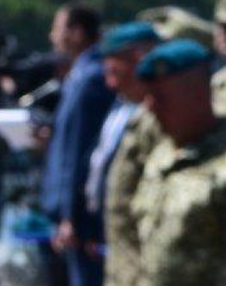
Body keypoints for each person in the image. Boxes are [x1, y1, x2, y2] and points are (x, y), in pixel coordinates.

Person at [130, 39, 226, 284]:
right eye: (148, 96)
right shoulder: (161, 155)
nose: (150, 108)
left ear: (198, 94)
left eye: (161, 97)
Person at [41, 2, 114, 286]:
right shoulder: (81, 74)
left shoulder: (89, 78)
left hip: (81, 216)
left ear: (77, 33)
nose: (52, 36)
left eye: (57, 28)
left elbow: (79, 151)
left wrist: (70, 215)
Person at [87, 22, 162, 286]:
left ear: (139, 60)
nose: (109, 82)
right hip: (117, 254)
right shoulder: (121, 107)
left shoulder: (163, 120)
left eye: (114, 70)